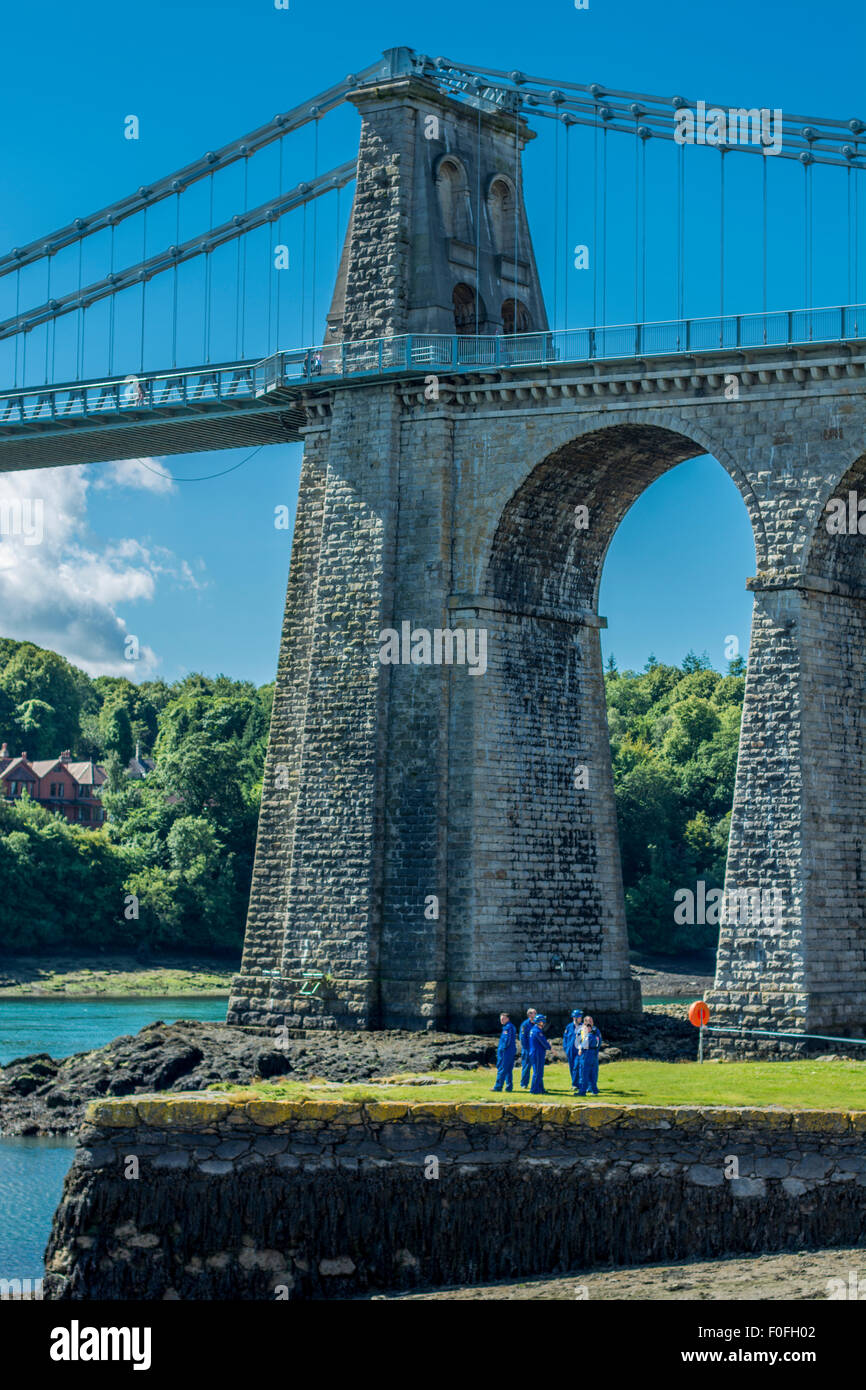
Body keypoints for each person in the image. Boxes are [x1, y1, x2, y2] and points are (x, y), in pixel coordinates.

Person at [577, 1014, 603, 1096]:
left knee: (587, 1072)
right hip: (590, 1053)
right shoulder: (581, 1030)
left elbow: (587, 1043)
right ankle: (593, 1090)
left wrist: (581, 1049)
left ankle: (585, 1090)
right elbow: (578, 1040)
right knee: (590, 1072)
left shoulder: (593, 1032)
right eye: (589, 1022)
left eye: (591, 1021)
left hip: (588, 1054)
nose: (591, 1023)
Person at [492, 1012, 517, 1092]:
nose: (501, 1020)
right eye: (501, 1019)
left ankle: (498, 1086)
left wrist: (503, 1049)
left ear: (508, 1019)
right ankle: (509, 1086)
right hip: (510, 1051)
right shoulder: (510, 1026)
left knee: (502, 1068)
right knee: (508, 1069)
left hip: (506, 1052)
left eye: (503, 1019)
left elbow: (507, 1040)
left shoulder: (508, 1027)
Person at [529, 1014, 552, 1095]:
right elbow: (544, 1042)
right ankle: (534, 1089)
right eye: (543, 1021)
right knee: (537, 1072)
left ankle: (540, 1088)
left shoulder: (535, 1030)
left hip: (537, 1053)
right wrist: (550, 1047)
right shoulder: (536, 1031)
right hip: (537, 1054)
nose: (544, 1023)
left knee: (539, 1072)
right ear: (540, 1022)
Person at [562, 1009, 584, 1093]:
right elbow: (565, 1038)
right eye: (579, 1017)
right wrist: (566, 1048)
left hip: (579, 1050)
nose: (580, 1019)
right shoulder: (569, 1027)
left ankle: (576, 1084)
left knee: (577, 1067)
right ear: (574, 1018)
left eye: (581, 1017)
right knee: (572, 1067)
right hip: (570, 1050)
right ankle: (575, 1084)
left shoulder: (583, 1027)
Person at [519, 1008, 537, 1089]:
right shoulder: (525, 1024)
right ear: (529, 1015)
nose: (536, 1014)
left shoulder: (537, 1023)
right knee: (526, 1067)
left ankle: (536, 1083)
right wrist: (527, 1049)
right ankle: (524, 1084)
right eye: (534, 1013)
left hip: (535, 1049)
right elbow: (522, 1038)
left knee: (537, 1067)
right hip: (527, 1049)